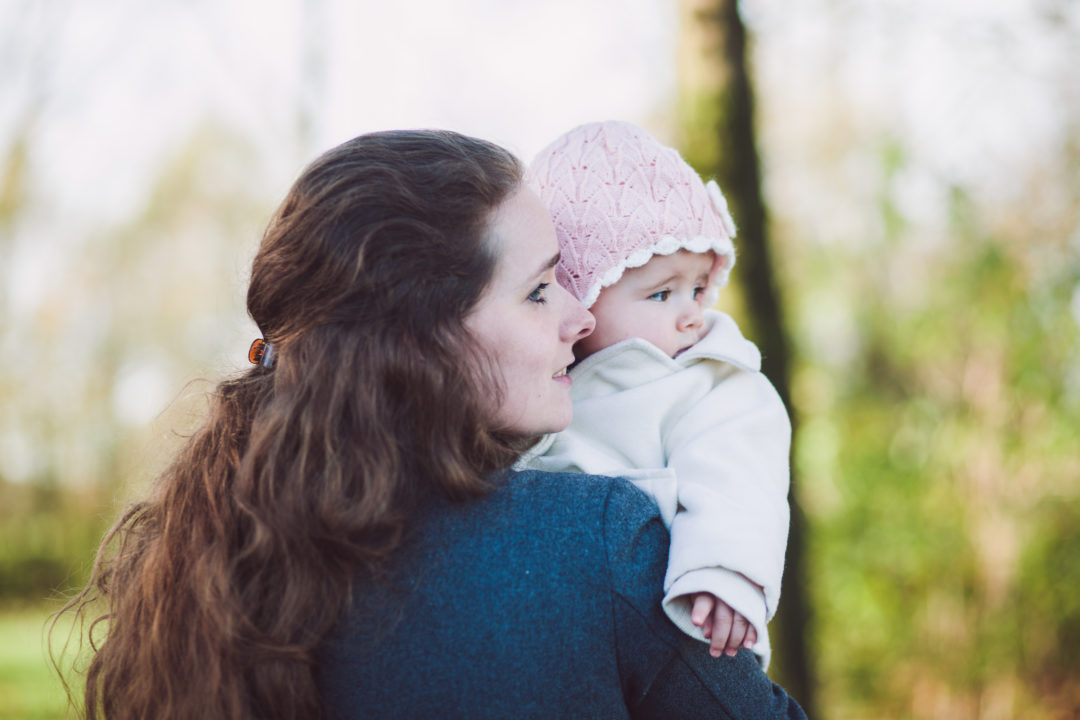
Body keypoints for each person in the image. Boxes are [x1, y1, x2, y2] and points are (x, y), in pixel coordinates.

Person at [54, 129, 806, 719]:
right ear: (426, 341)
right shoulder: (599, 542)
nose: (580, 318)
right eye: (542, 290)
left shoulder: (233, 562)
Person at [521, 120, 792, 668]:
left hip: (685, 628)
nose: (693, 313)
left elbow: (741, 481)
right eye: (663, 292)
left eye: (697, 288)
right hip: (555, 636)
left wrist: (723, 573)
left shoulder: (710, 380)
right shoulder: (536, 385)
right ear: (580, 291)